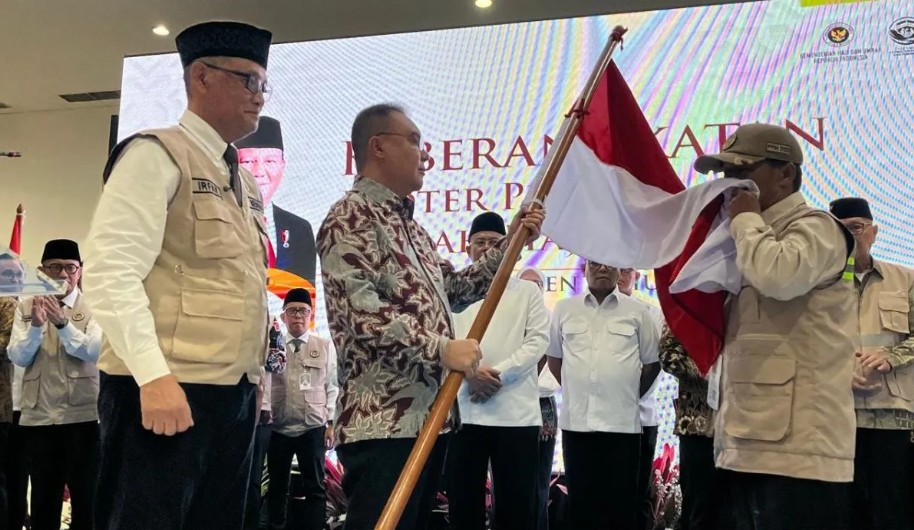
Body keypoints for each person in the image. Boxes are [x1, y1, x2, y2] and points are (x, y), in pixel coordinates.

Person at [83, 21, 274, 529]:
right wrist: (153, 375)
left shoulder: (244, 180)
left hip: (229, 393)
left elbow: (241, 285)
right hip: (165, 388)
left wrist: (251, 384)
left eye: (264, 84)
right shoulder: (156, 153)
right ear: (202, 77)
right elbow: (110, 272)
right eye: (249, 80)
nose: (260, 96)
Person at [317, 103, 543, 530]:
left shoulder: (415, 231)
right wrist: (441, 349)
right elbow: (362, 317)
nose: (426, 155)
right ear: (377, 146)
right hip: (382, 423)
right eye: (415, 142)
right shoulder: (349, 217)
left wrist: (512, 241)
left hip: (430, 421)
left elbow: (456, 290)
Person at [693, 123, 856, 529]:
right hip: (745, 441)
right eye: (727, 174)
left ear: (785, 174)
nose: (732, 185)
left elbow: (780, 277)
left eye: (744, 171)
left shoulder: (816, 227)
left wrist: (746, 220)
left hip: (800, 453)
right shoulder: (743, 238)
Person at [446, 213, 549, 530]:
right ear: (468, 249)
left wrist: (497, 374)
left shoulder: (527, 292)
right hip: (465, 410)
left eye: (495, 242)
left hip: (515, 416)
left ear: (509, 246)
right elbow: (443, 342)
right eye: (480, 243)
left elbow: (537, 342)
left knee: (516, 509)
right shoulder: (454, 292)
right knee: (464, 507)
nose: (487, 248)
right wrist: (470, 374)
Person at [547, 261, 660, 530]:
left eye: (610, 265)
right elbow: (554, 360)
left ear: (620, 271)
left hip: (622, 428)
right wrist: (579, 391)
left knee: (620, 509)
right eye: (595, 264)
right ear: (584, 268)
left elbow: (652, 363)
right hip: (577, 426)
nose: (602, 269)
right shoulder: (565, 309)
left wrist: (628, 396)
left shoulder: (637, 311)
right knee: (582, 507)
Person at [830, 196, 914, 530]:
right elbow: (805, 345)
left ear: (874, 232)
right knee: (843, 515)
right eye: (839, 232)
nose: (849, 238)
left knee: (893, 512)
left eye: (855, 228)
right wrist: (839, 370)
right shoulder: (820, 286)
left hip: (893, 417)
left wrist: (891, 357)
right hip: (837, 417)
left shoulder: (905, 280)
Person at [7, 239, 101, 530]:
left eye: (69, 268)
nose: (62, 274)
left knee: (88, 503)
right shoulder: (25, 306)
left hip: (83, 419)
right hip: (39, 421)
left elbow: (94, 350)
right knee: (44, 505)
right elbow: (18, 356)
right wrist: (36, 327)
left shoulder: (96, 306)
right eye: (54, 267)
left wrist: (62, 324)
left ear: (80, 272)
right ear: (41, 271)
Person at [267, 288, 338, 530]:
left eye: (303, 311)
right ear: (284, 316)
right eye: (292, 310)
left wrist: (330, 424)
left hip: (313, 427)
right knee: (277, 487)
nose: (298, 315)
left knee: (315, 488)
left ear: (310, 315)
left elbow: (332, 386)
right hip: (278, 427)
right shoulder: (272, 346)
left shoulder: (325, 346)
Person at [236, 116, 318, 292]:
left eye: (270, 161)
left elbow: (306, 302)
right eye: (248, 161)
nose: (259, 173)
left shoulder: (299, 229)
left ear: (282, 165)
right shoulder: (221, 221)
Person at [616, 267, 666, 530]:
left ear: (636, 275)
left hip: (641, 416)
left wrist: (628, 397)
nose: (621, 275)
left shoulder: (651, 312)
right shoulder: (593, 310)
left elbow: (654, 365)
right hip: (603, 420)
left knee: (638, 496)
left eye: (628, 271)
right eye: (618, 269)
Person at [658, 327, 718, 530]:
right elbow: (669, 356)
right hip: (696, 423)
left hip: (741, 426)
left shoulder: (741, 305)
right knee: (697, 507)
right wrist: (712, 373)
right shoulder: (687, 305)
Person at [518, 266, 559, 530]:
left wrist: (520, 387)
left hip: (542, 412)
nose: (532, 289)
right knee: (510, 484)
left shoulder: (552, 321)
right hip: (508, 414)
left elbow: (551, 380)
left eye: (538, 285)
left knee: (539, 485)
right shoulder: (508, 322)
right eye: (527, 284)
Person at [0, 252, 23, 523]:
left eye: (18, 274)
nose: (15, 280)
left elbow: (7, 347)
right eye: (7, 275)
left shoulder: (14, 306)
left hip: (9, 408)